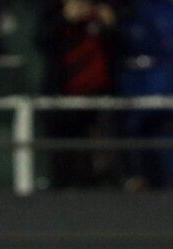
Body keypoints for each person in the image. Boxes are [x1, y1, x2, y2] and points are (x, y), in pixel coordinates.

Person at [35, 1, 127, 188]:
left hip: (102, 100)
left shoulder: (109, 9)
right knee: (63, 169)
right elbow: (40, 38)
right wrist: (65, 18)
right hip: (62, 101)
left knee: (106, 169)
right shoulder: (51, 10)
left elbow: (124, 47)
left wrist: (110, 24)